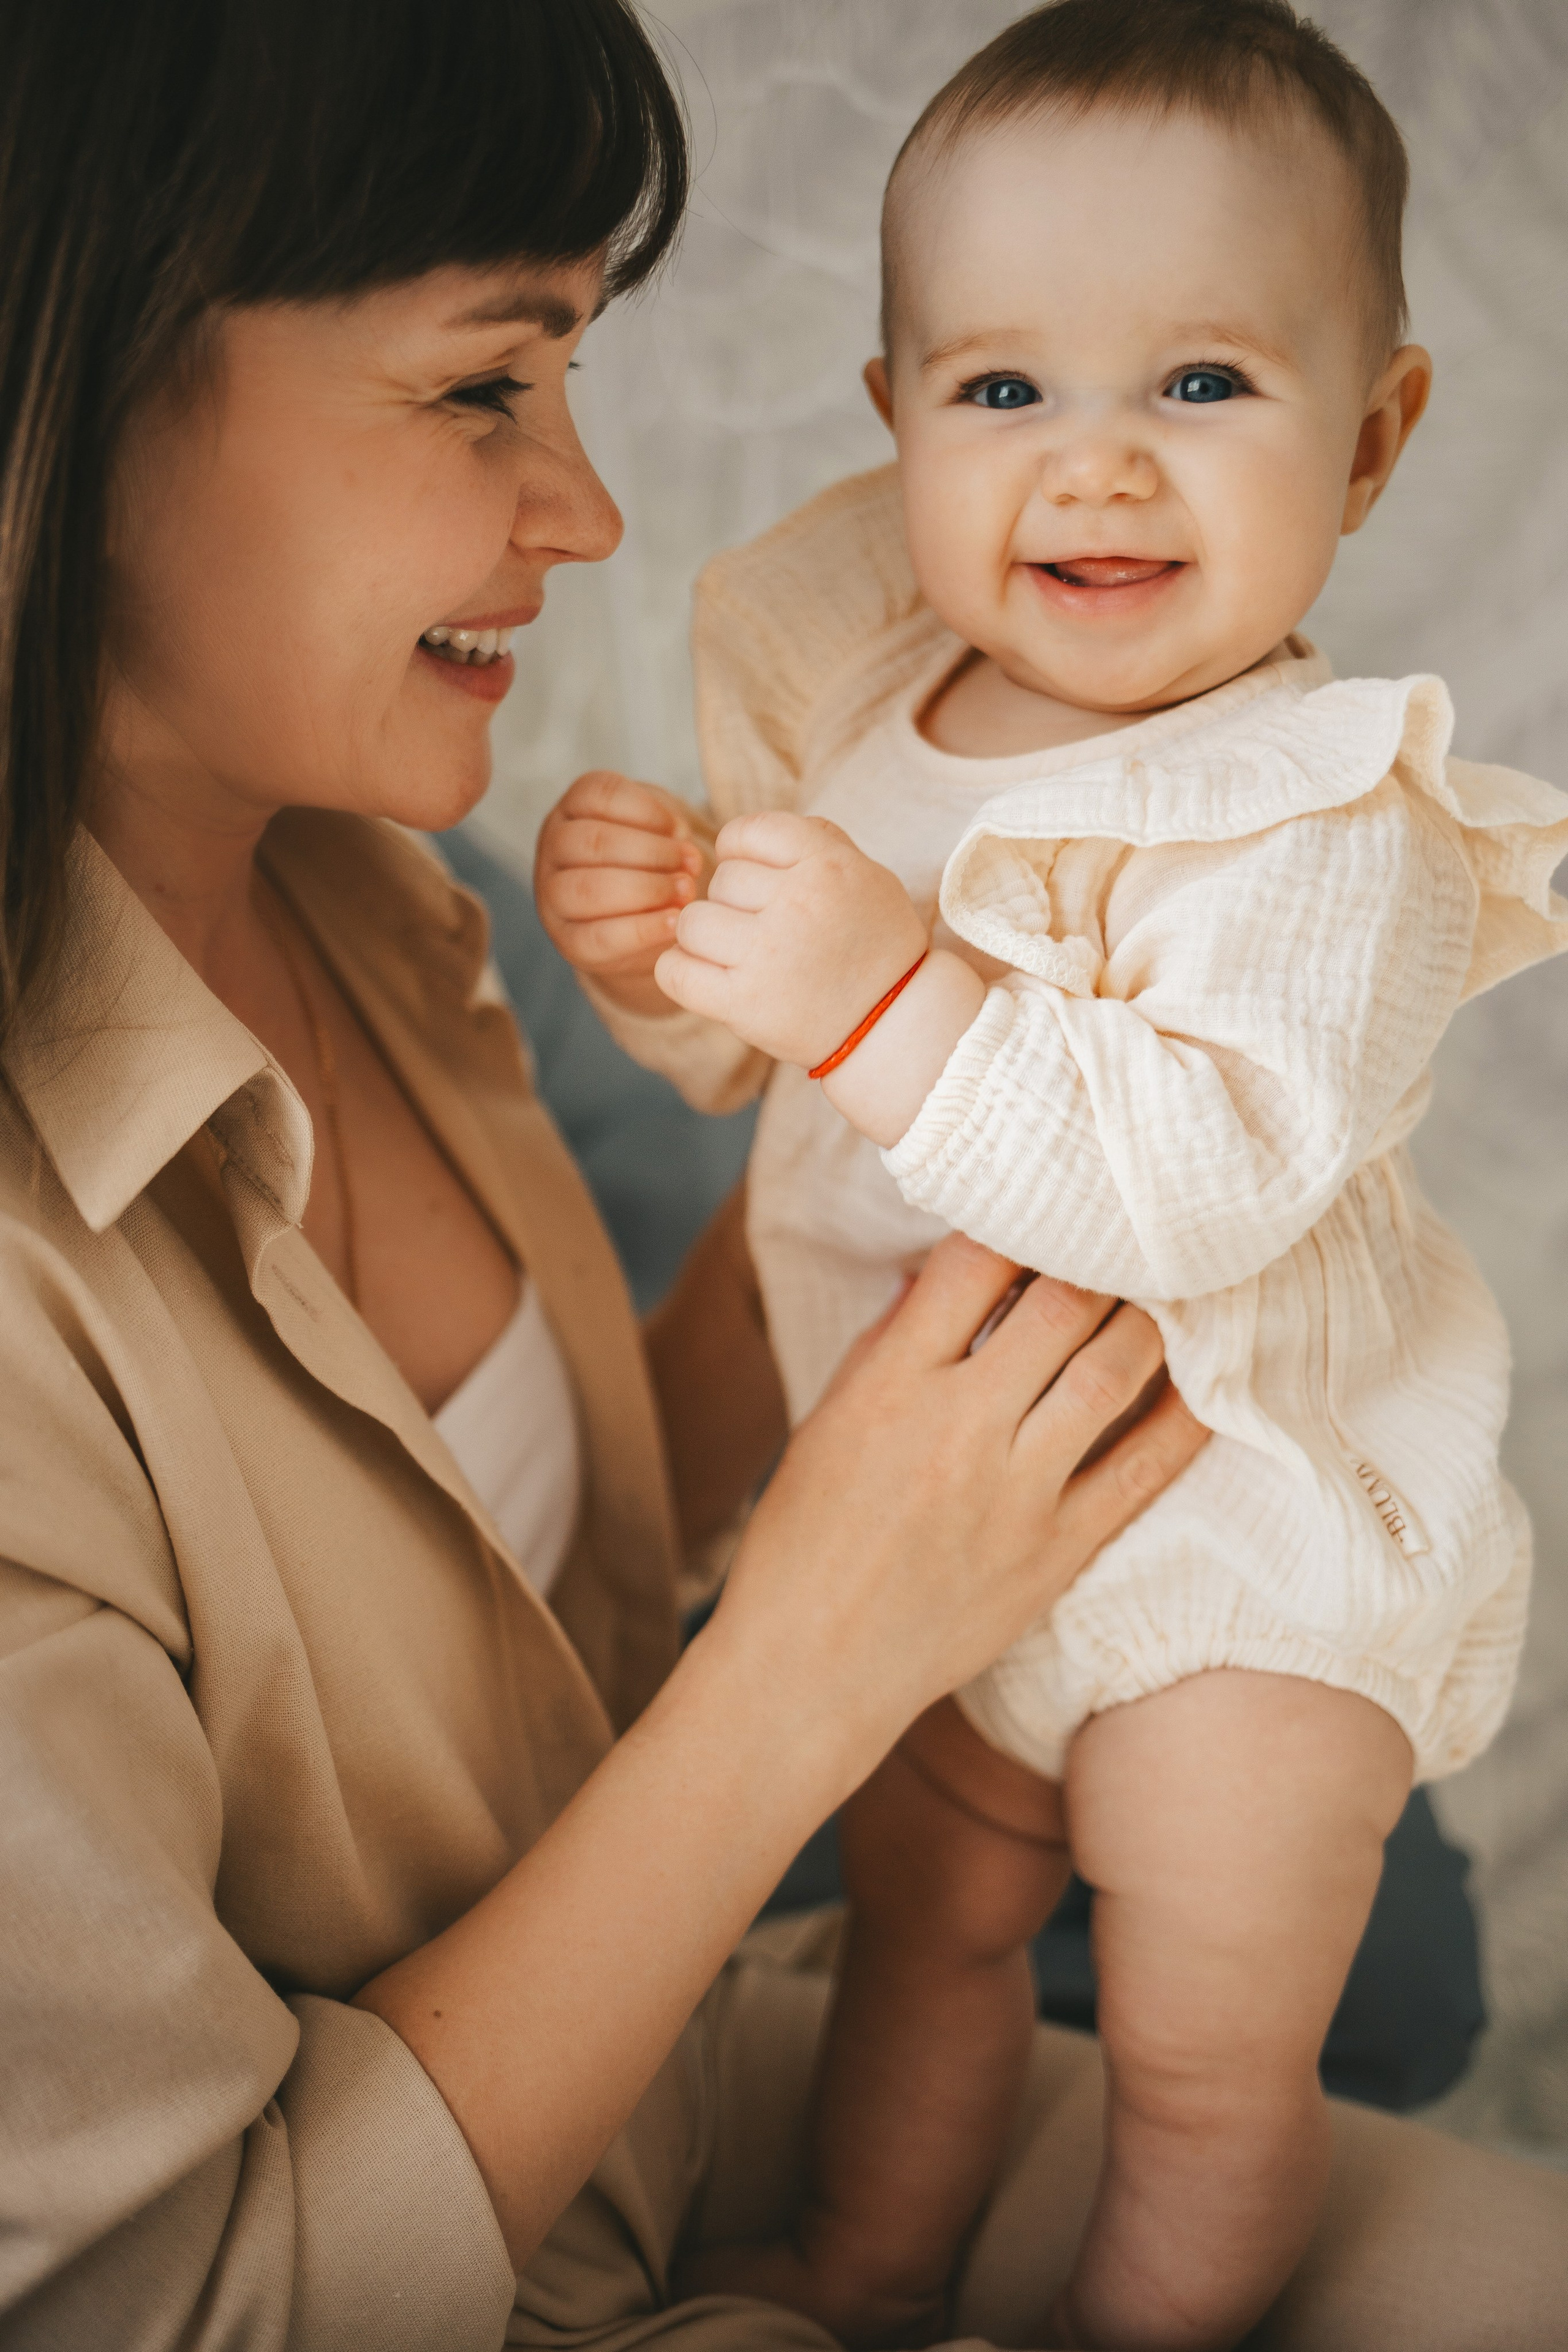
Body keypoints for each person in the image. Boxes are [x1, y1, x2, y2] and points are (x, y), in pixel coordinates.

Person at [2, 6, 1566, 2352]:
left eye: (1207, 389)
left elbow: (564, 1544)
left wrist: (722, 998)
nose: (597, 509)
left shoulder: (365, 888)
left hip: (1147, 1646)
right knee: (973, 1983)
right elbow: (179, 2299)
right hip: (440, 2218)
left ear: (1376, 434)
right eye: (478, 387)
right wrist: (829, 1636)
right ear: (79, 389)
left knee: (1350, 2171)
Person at [531, 2, 1568, 2346]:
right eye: (1007, 391)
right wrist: (653, 947)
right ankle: (866, 2270)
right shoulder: (867, 709)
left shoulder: (1322, 810)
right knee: (929, 1939)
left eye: (1200, 386)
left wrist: (893, 996)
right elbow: (760, 1073)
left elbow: (1203, 1180)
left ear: (1376, 434)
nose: (1095, 469)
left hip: (1232, 1560)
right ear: (897, 418)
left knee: (1202, 2071)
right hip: (940, 1546)